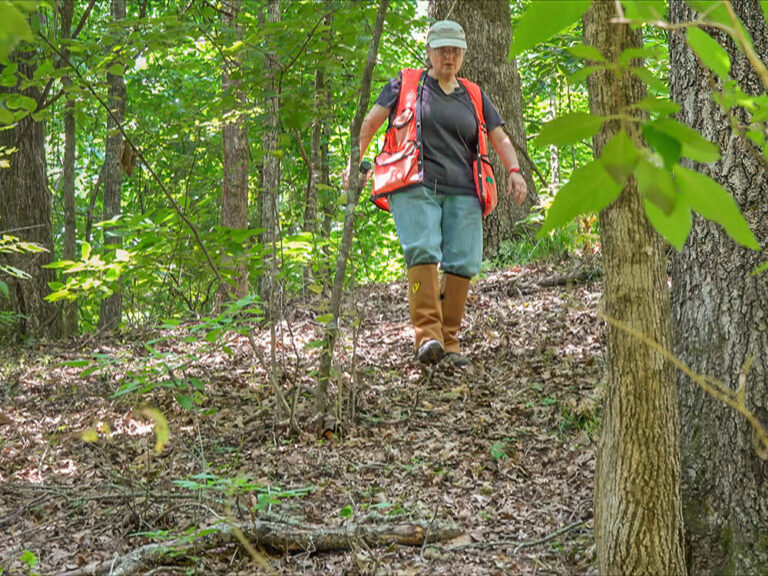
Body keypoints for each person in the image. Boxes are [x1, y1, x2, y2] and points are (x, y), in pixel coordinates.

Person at [350, 20, 528, 366]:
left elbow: (500, 136)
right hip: (415, 182)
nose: (449, 56)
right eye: (442, 50)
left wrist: (516, 172)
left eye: (455, 50)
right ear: (429, 51)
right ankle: (427, 335)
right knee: (423, 250)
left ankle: (450, 340)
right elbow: (371, 122)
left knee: (464, 261)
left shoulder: (474, 94)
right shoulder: (404, 84)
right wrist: (355, 160)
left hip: (464, 187)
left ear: (462, 54)